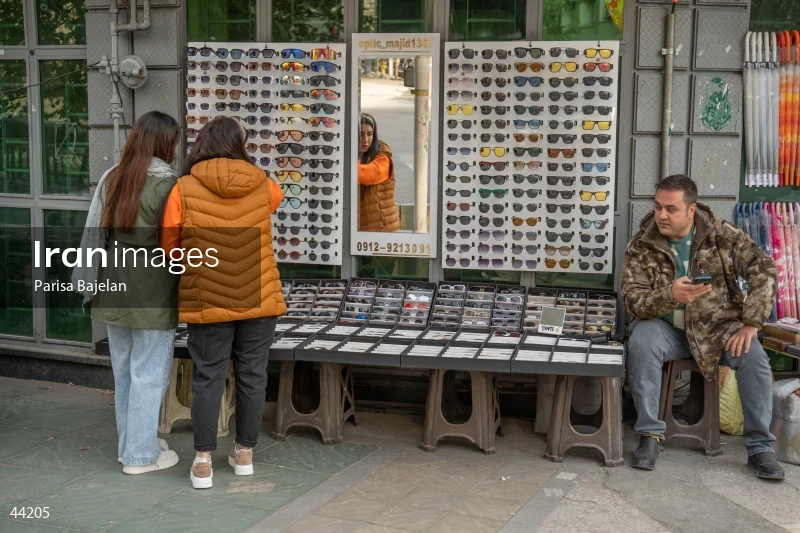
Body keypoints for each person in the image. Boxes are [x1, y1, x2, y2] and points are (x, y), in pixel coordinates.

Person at [623, 174, 783, 480]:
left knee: (755, 358)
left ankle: (760, 448)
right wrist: (670, 295)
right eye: (658, 207)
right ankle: (649, 436)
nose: (662, 215)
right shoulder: (641, 244)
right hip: (667, 329)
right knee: (642, 341)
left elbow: (764, 269)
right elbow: (633, 301)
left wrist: (751, 322)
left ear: (691, 210)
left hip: (718, 328)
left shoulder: (722, 235)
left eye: (671, 209)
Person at [160, 116, 286, 489]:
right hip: (258, 293)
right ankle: (244, 453)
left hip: (207, 296)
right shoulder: (264, 183)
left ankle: (202, 462)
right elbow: (274, 205)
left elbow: (169, 245)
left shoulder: (183, 187)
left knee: (208, 375)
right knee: (252, 374)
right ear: (240, 146)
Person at [75, 111, 181, 474]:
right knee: (150, 373)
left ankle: (131, 445)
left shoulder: (112, 177)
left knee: (124, 373)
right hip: (154, 287)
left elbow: (93, 236)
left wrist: (87, 284)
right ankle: (140, 456)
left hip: (112, 285)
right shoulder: (172, 184)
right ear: (166, 142)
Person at [357, 112, 400, 231]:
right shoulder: (356, 156)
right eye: (361, 134)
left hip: (383, 229)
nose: (365, 140)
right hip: (362, 229)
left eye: (369, 134)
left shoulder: (382, 155)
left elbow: (369, 174)